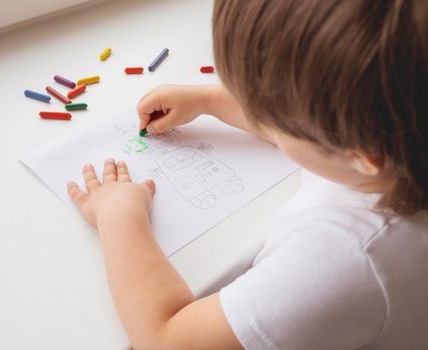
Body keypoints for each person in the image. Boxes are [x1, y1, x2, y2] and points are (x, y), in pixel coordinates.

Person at [66, 0, 428, 348]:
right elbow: (320, 130)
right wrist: (209, 100)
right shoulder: (402, 138)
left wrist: (119, 217)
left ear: (361, 154)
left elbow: (168, 341)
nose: (254, 112)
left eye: (268, 110)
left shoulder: (348, 262)